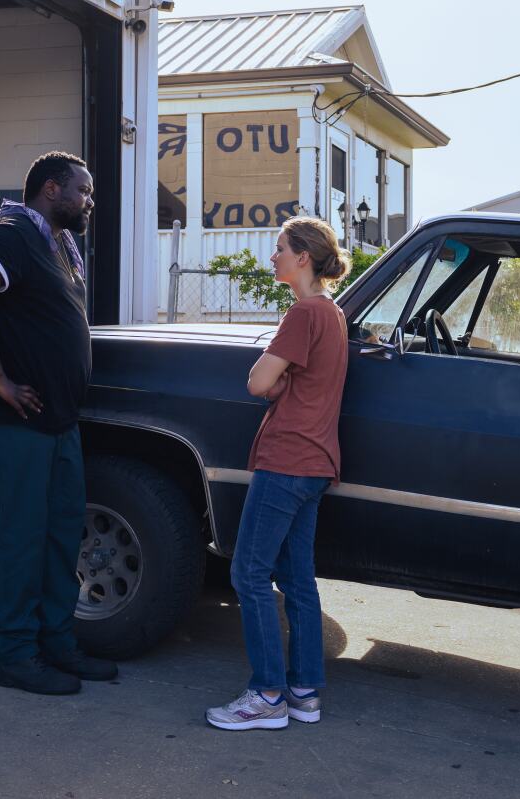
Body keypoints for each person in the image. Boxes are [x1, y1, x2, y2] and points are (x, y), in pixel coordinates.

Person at [0, 151, 116, 695]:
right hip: (12, 417)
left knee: (62, 532)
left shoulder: (58, 246)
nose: (90, 200)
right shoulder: (11, 233)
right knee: (22, 536)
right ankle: (14, 655)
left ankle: (56, 644)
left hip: (58, 420)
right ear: (50, 189)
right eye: (82, 191)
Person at [206, 217, 351, 731]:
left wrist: (274, 375)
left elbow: (257, 381)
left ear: (303, 258)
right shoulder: (332, 314)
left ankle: (266, 695)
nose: (274, 257)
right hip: (315, 463)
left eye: (280, 248)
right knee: (296, 580)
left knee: (247, 573)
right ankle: (304, 693)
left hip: (286, 460)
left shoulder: (303, 313)